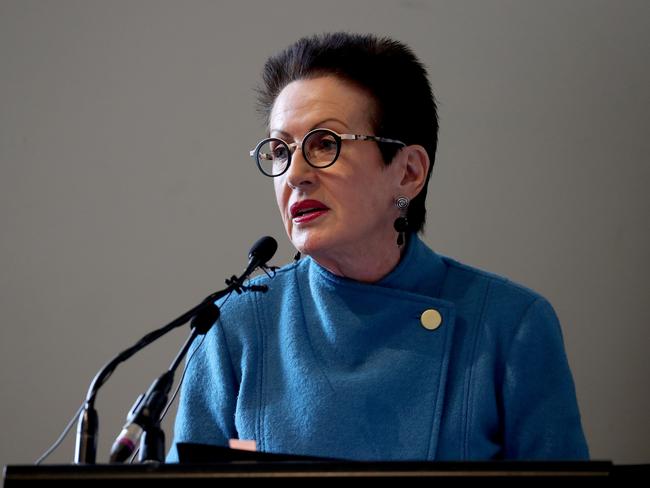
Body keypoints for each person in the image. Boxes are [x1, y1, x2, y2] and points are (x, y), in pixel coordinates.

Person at [167, 32, 589, 461]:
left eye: (325, 144)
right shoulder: (233, 330)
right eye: (280, 150)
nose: (294, 174)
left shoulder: (509, 325)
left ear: (408, 173)